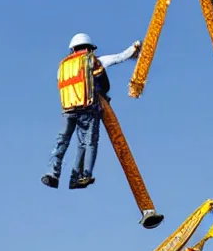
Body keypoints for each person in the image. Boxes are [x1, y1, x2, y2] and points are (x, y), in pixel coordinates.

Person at [41, 32, 141, 190]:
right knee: (88, 143)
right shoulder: (91, 60)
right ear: (89, 48)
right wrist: (134, 49)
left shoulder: (64, 65)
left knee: (62, 141)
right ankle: (82, 175)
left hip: (68, 109)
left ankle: (52, 173)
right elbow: (110, 69)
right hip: (87, 108)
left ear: (72, 49)